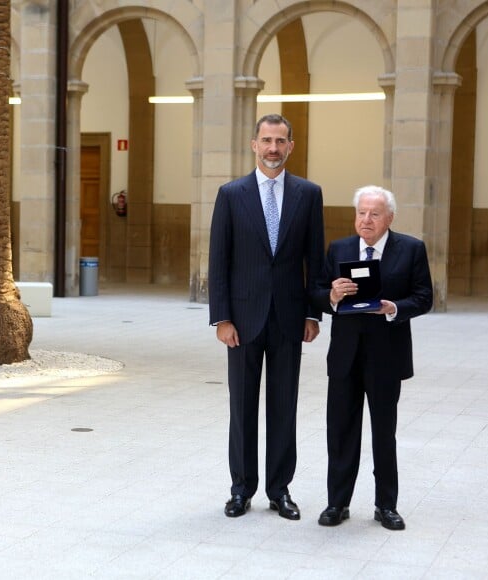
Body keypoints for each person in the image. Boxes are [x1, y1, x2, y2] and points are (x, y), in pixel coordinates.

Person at [209, 114, 325, 520]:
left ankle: (280, 489)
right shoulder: (231, 194)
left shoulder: (309, 195)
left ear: (291, 146)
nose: (273, 148)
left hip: (290, 320)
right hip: (241, 321)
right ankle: (241, 489)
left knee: (283, 406)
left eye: (280, 141)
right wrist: (222, 318)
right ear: (253, 144)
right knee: (242, 407)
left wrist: (314, 313)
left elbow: (316, 260)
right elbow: (218, 261)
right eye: (266, 140)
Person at [311, 185, 433, 530]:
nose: (366, 220)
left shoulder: (410, 249)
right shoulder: (340, 248)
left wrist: (395, 308)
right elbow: (316, 293)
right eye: (361, 213)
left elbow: (424, 297)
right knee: (340, 431)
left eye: (374, 214)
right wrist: (332, 296)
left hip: (386, 357)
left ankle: (386, 505)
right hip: (345, 358)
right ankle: (337, 503)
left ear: (389, 218)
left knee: (384, 433)